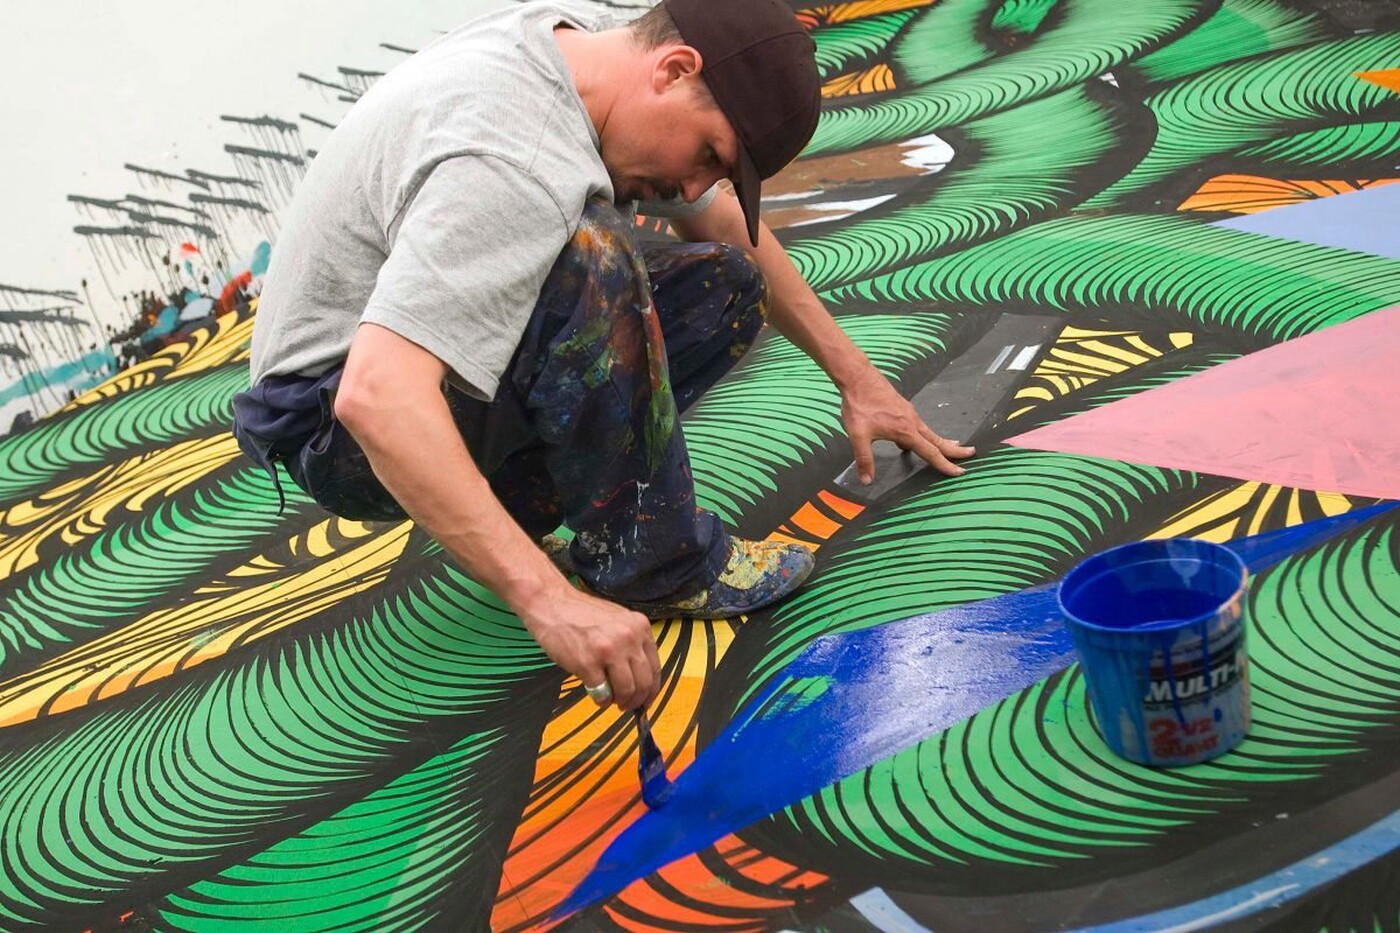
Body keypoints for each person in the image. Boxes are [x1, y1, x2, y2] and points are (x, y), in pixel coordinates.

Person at [232, 0, 974, 714]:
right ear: (674, 68)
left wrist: (859, 381)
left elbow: (717, 220)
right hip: (336, 429)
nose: (692, 187)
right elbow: (377, 398)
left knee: (725, 285)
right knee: (593, 253)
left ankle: (511, 500)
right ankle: (655, 564)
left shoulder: (594, 41)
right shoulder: (516, 158)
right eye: (708, 155)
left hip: (401, 379)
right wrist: (548, 603)